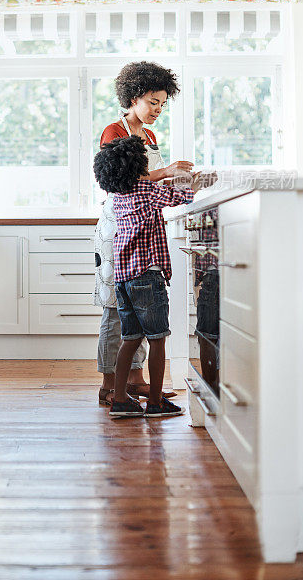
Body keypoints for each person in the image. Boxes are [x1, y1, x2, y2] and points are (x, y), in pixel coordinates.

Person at [94, 62, 194, 406]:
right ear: (134, 96)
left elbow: (147, 182)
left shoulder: (150, 136)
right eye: (153, 102)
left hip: (140, 224)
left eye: (163, 104)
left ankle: (134, 382)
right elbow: (123, 181)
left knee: (133, 311)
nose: (158, 110)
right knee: (115, 307)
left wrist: (172, 177)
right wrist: (166, 173)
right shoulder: (114, 131)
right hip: (117, 228)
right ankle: (110, 384)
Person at [93, 136, 214, 417]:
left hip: (123, 280)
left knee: (130, 338)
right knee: (158, 339)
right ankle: (157, 402)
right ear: (137, 167)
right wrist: (198, 180)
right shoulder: (147, 192)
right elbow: (181, 196)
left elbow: (163, 191)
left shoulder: (118, 197)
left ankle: (120, 399)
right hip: (147, 277)